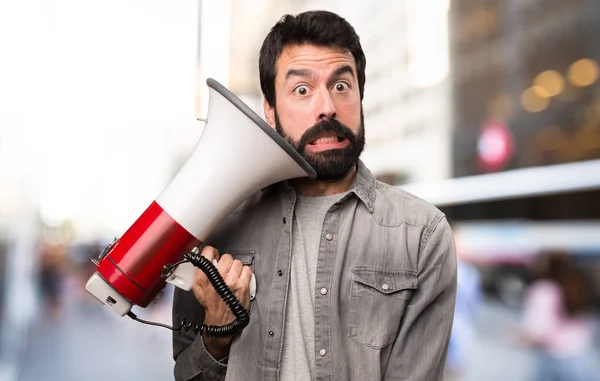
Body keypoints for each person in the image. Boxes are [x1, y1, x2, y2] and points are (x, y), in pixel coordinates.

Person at [172, 10, 457, 381]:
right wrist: (217, 335)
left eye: (341, 85)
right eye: (302, 90)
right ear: (270, 111)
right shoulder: (217, 223)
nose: (327, 106)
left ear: (360, 97)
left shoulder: (422, 236)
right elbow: (185, 374)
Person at [518, 251, 600, 381]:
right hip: (581, 357)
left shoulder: (543, 290)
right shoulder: (577, 285)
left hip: (554, 358)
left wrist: (519, 338)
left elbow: (538, 331)